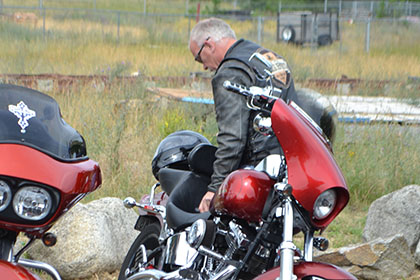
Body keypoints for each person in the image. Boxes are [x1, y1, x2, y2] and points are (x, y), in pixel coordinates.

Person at [189, 18, 296, 212]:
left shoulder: (231, 71)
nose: (203, 66)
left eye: (198, 58)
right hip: (289, 164)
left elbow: (233, 137)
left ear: (209, 45)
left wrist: (215, 189)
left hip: (257, 171)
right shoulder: (269, 58)